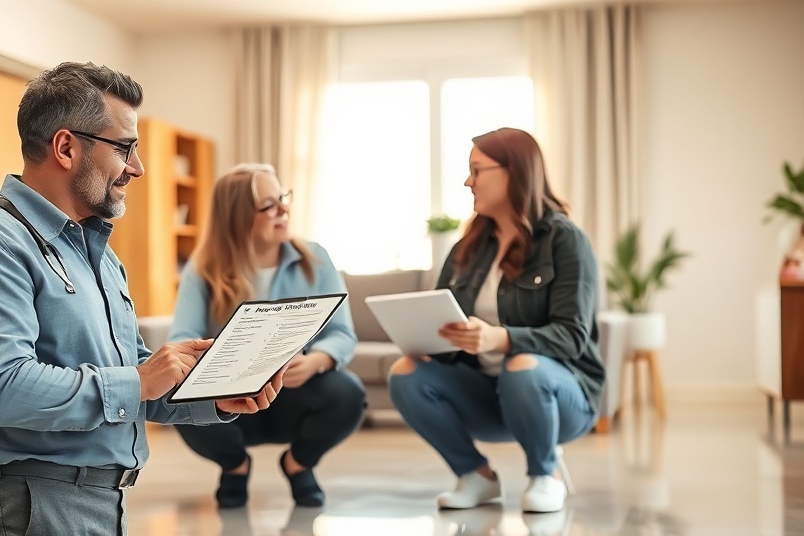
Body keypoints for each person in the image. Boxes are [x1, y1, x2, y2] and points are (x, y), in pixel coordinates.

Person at [0, 62, 282, 536]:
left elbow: (134, 377)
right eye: (125, 147)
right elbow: (2, 388)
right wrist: (139, 378)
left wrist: (212, 393)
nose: (138, 168)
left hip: (100, 504)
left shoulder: (97, 252)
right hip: (32, 507)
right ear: (67, 148)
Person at [388, 127, 603, 514]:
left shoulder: (565, 240)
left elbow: (572, 337)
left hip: (561, 398)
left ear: (514, 172)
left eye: (476, 170)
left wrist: (499, 339)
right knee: (405, 371)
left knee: (522, 365)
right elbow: (443, 313)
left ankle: (544, 475)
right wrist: (426, 338)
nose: (468, 181)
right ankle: (475, 476)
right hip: (488, 396)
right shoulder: (467, 247)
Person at [169, 163, 366, 509]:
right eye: (269, 205)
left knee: (348, 393)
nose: (284, 210)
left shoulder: (315, 258)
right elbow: (183, 336)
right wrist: (224, 361)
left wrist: (317, 360)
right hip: (231, 397)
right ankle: (235, 467)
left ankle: (298, 464)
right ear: (238, 217)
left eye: (283, 198)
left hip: (292, 389)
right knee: (179, 399)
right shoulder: (204, 267)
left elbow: (341, 333)